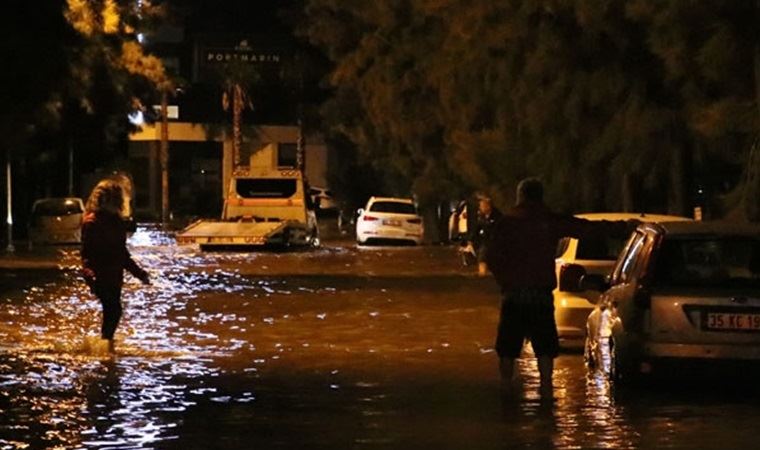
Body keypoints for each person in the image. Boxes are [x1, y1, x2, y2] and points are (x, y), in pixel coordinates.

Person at [486, 178, 634, 399]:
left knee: (507, 348)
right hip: (541, 295)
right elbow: (587, 229)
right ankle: (546, 390)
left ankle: (506, 390)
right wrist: (625, 227)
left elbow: (492, 257)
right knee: (545, 348)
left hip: (513, 294)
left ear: (520, 197)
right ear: (540, 197)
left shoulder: (506, 224)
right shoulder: (549, 221)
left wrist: (505, 280)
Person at [81, 179, 150, 353]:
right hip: (100, 275)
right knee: (114, 309)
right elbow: (87, 254)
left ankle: (105, 348)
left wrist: (139, 273)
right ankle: (105, 349)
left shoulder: (116, 222)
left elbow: (122, 253)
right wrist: (90, 276)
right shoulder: (92, 222)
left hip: (114, 276)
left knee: (113, 311)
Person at [466, 195, 502, 276]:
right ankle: (482, 274)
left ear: (488, 206)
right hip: (485, 242)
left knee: (485, 255)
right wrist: (470, 240)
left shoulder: (497, 216)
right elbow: (476, 228)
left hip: (495, 242)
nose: (480, 208)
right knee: (482, 255)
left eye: (482, 206)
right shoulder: (482, 217)